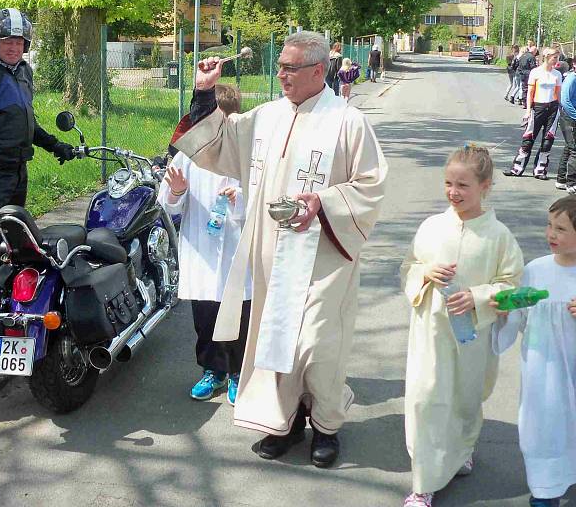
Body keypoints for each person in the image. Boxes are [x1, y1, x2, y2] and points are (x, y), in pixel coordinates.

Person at [170, 31, 388, 467]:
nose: (281, 73)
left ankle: (326, 428)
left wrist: (321, 202)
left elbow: (371, 186)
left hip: (324, 259)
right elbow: (218, 145)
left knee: (317, 346)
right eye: (281, 65)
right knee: (276, 341)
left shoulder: (347, 121)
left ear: (317, 69)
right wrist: (204, 92)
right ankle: (285, 424)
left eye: (290, 67)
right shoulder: (267, 116)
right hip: (272, 257)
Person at [400, 145, 524, 507]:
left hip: (472, 336)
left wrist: (479, 296)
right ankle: (423, 484)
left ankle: (461, 450)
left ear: (485, 186)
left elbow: (512, 285)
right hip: (430, 334)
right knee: (426, 400)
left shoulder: (499, 236)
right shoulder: (432, 227)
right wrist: (424, 273)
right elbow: (409, 267)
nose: (454, 192)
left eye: (463, 185)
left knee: (465, 401)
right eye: (449, 183)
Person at [0, 8, 75, 283]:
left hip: (18, 169)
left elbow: (24, 121)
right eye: (7, 41)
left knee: (15, 240)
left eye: (19, 42)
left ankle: (13, 306)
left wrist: (55, 145)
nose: (13, 47)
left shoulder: (22, 72)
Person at [157, 84, 251, 405]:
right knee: (206, 318)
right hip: (203, 252)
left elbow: (266, 200)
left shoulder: (248, 155)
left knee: (239, 316)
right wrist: (178, 191)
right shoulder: (187, 157)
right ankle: (212, 371)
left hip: (239, 251)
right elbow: (167, 206)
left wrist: (241, 199)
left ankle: (239, 372)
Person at [491, 195, 576, 507]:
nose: (551, 234)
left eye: (562, 229)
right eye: (550, 226)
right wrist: (504, 312)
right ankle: (545, 490)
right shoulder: (534, 271)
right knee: (542, 428)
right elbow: (516, 316)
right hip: (543, 370)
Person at [504, 47, 563, 179]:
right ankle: (517, 169)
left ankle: (540, 170)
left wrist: (560, 109)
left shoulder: (557, 74)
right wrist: (528, 111)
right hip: (537, 107)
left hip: (553, 108)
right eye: (555, 57)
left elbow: (558, 94)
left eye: (557, 57)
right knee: (528, 139)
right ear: (547, 56)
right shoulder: (535, 72)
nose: (556, 60)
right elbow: (530, 93)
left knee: (548, 141)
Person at [555, 60, 576, 193]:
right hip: (569, 117)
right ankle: (571, 183)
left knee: (569, 148)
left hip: (572, 117)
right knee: (574, 149)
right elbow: (565, 101)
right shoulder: (571, 79)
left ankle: (561, 179)